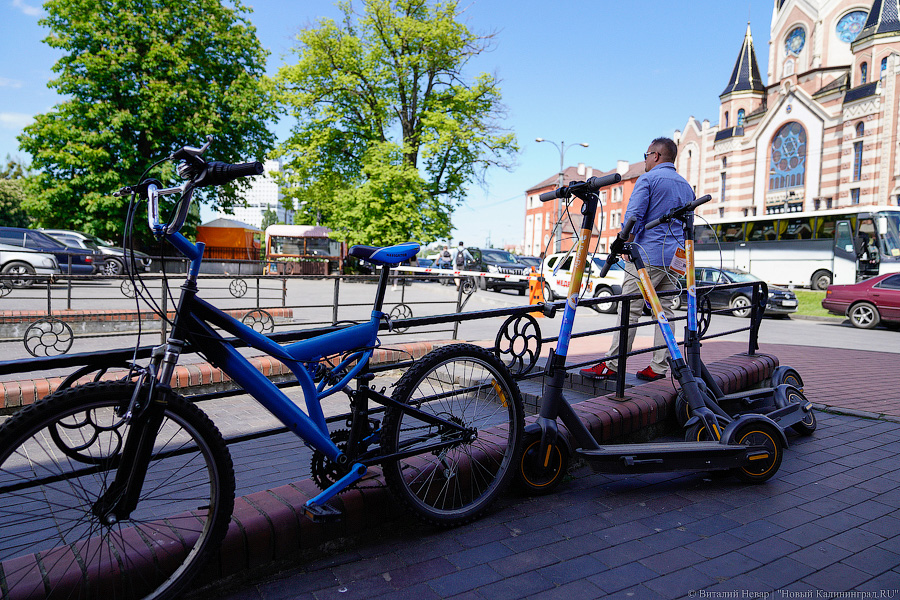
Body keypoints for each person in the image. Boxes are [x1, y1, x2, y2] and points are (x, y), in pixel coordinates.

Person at [581, 137, 693, 382]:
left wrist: (622, 242)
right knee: (665, 312)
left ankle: (612, 365)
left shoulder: (649, 179)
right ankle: (659, 367)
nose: (644, 159)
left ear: (655, 155)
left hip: (646, 256)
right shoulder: (686, 186)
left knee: (628, 310)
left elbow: (634, 217)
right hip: (674, 259)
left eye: (646, 155)